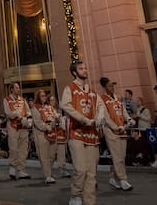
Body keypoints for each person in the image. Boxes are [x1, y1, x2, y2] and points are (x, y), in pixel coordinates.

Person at [61, 60, 103, 205]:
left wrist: (99, 119)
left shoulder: (92, 91)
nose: (85, 70)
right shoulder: (70, 88)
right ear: (74, 72)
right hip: (76, 131)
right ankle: (76, 194)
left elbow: (100, 107)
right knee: (81, 169)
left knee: (91, 173)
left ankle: (90, 201)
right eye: (81, 68)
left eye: (85, 68)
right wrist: (83, 119)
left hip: (91, 134)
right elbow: (65, 105)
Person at [98, 78, 134, 191]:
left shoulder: (117, 98)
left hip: (122, 129)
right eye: (109, 86)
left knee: (121, 157)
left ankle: (113, 177)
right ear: (104, 87)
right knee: (117, 156)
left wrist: (128, 119)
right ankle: (123, 179)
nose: (112, 88)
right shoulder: (101, 99)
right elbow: (106, 117)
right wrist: (115, 127)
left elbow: (123, 111)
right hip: (111, 131)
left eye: (113, 86)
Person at [31, 89, 65, 183]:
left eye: (45, 95)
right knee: (44, 156)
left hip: (52, 133)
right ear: (38, 97)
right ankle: (48, 176)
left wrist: (58, 119)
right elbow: (38, 122)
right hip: (41, 134)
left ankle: (48, 172)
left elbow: (56, 116)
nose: (44, 97)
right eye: (42, 96)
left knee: (52, 155)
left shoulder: (50, 107)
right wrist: (47, 127)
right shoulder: (35, 108)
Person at [1, 81, 32, 180]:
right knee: (13, 148)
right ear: (11, 89)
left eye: (19, 87)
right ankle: (12, 167)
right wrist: (16, 115)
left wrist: (29, 121)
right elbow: (7, 112)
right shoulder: (6, 100)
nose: (18, 89)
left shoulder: (23, 100)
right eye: (16, 88)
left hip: (23, 126)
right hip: (13, 126)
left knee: (23, 149)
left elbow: (28, 111)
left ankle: (21, 169)